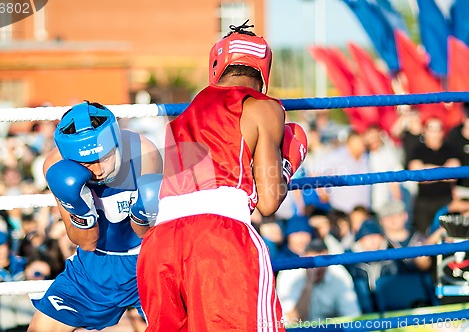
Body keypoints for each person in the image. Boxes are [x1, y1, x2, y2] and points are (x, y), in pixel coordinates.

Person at [136, 21, 308, 331]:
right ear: (263, 70)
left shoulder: (182, 117)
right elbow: (268, 202)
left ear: (218, 65)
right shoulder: (262, 108)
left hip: (160, 246)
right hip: (218, 241)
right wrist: (287, 164)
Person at [27, 101, 163, 332]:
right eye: (87, 163)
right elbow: (85, 242)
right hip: (95, 264)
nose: (98, 169)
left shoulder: (143, 152)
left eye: (105, 157)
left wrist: (143, 215)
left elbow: (148, 233)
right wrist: (81, 210)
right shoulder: (56, 165)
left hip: (148, 260)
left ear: (117, 142)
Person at [276, 239, 361, 325]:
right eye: (312, 263)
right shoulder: (288, 274)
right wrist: (308, 284)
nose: (317, 268)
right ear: (303, 258)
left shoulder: (339, 274)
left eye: (322, 263)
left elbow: (352, 316)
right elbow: (291, 320)